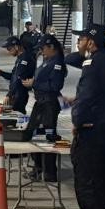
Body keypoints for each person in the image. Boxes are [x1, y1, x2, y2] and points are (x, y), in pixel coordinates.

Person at [65, 24, 105, 209]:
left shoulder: (93, 63)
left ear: (91, 41)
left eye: (83, 39)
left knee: (88, 182)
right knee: (101, 180)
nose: (80, 42)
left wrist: (77, 121)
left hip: (92, 131)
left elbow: (86, 97)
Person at [21, 35, 66, 182]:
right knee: (34, 133)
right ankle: (38, 167)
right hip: (41, 102)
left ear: (51, 47)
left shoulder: (57, 63)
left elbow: (55, 86)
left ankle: (49, 172)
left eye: (43, 48)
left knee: (47, 136)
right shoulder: (48, 60)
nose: (41, 52)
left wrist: (34, 84)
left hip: (49, 104)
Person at [0, 36, 36, 113]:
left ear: (16, 47)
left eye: (9, 49)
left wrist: (9, 94)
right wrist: (0, 72)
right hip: (16, 93)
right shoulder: (20, 58)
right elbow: (13, 76)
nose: (8, 52)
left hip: (20, 94)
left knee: (16, 115)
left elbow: (18, 79)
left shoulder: (25, 59)